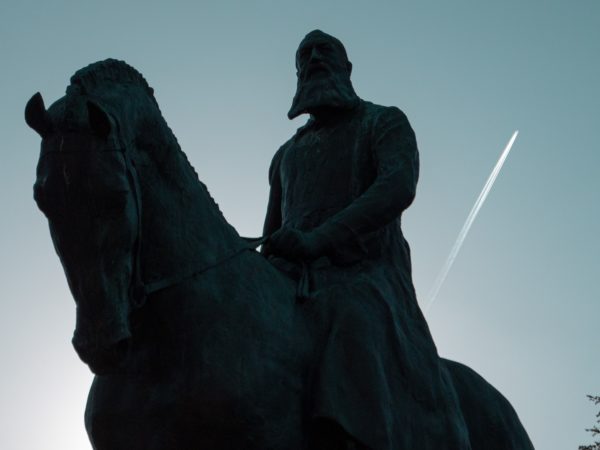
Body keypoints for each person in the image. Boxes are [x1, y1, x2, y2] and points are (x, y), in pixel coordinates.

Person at [262, 30, 470, 450]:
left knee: (351, 313)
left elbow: (397, 187)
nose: (316, 57)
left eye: (327, 50)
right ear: (298, 71)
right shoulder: (285, 155)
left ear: (347, 67)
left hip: (366, 275)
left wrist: (320, 239)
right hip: (293, 282)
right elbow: (271, 236)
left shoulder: (383, 121)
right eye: (306, 54)